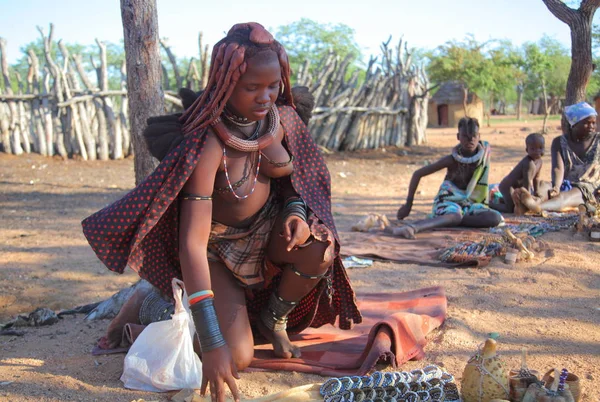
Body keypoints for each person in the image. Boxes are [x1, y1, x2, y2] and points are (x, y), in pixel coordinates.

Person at [82, 22, 361, 402]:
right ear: (225, 85)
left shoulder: (282, 121)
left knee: (320, 247)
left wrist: (296, 213)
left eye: (273, 86)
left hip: (269, 234)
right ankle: (150, 303)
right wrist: (213, 345)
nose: (265, 97)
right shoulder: (209, 146)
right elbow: (192, 246)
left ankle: (273, 317)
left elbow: (298, 184)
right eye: (252, 87)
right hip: (217, 250)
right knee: (238, 356)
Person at [395, 117, 503, 239]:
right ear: (458, 137)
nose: (470, 140)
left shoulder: (484, 155)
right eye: (465, 136)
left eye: (474, 135)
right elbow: (417, 174)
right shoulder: (451, 160)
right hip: (449, 201)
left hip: (470, 204)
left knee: (494, 218)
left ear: (479, 136)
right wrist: (408, 205)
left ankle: (451, 220)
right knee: (455, 215)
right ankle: (413, 227)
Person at [517, 102, 600, 213]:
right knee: (542, 187)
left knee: (563, 198)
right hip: (564, 182)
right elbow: (558, 168)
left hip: (588, 187)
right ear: (574, 124)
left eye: (594, 123)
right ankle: (530, 202)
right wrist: (555, 187)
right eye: (586, 123)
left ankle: (537, 208)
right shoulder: (559, 142)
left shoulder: (598, 140)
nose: (592, 127)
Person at [489, 133, 550, 214]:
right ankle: (491, 205)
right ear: (527, 150)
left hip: (517, 186)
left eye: (540, 148)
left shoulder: (540, 162)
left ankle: (504, 200)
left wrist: (536, 192)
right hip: (508, 186)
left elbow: (536, 178)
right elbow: (527, 181)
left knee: (515, 203)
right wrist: (528, 198)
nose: (537, 151)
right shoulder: (529, 163)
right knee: (510, 209)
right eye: (533, 149)